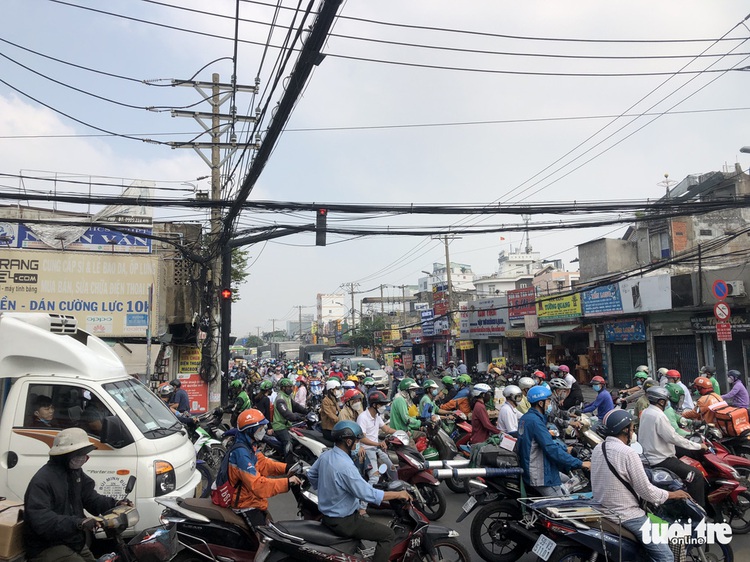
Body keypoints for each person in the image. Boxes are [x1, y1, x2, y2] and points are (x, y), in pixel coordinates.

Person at [592, 410, 690, 562]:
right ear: (625, 430)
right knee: (666, 557)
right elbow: (647, 492)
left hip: (601, 508)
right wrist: (672, 494)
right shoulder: (628, 453)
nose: (633, 432)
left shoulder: (599, 448)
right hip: (626, 514)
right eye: (632, 428)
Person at [307, 421, 412, 562]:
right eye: (357, 441)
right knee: (388, 535)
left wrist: (327, 489)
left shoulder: (326, 455)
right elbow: (368, 494)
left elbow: (312, 475)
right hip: (345, 521)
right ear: (348, 441)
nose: (358, 444)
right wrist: (398, 494)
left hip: (328, 516)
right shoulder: (345, 467)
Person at [24, 428, 129, 562]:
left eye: (84, 454)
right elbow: (42, 520)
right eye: (78, 454)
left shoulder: (75, 473)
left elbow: (90, 498)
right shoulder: (42, 481)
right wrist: (78, 523)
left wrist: (115, 504)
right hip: (47, 546)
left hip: (72, 540)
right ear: (64, 455)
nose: (83, 458)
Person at [226, 409, 302, 527]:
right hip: (244, 504)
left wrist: (287, 468)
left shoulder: (250, 446)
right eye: (260, 427)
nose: (264, 430)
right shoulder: (241, 454)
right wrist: (287, 482)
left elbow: (264, 464)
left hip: (253, 500)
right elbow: (257, 485)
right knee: (263, 537)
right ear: (250, 429)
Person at [638, 386, 705, 506]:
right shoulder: (659, 416)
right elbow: (673, 437)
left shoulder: (646, 412)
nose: (668, 403)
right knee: (696, 476)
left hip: (649, 456)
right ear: (661, 401)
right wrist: (698, 446)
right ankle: (699, 511)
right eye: (666, 400)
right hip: (661, 459)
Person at [517, 386, 589, 496]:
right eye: (548, 401)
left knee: (568, 481)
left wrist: (564, 448)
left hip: (539, 468)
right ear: (540, 403)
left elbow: (541, 442)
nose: (549, 404)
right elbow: (551, 449)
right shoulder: (535, 422)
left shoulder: (527, 418)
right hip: (540, 474)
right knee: (563, 503)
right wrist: (580, 463)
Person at [356, 391, 398, 513]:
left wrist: (400, 432)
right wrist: (378, 444)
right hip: (367, 449)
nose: (384, 407)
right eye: (382, 404)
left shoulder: (377, 417)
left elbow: (386, 429)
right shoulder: (363, 417)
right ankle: (362, 507)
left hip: (376, 448)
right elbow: (362, 438)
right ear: (374, 405)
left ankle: (394, 496)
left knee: (392, 469)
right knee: (374, 478)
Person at [271, 378, 308, 455]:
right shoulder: (280, 399)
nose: (291, 388)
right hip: (279, 426)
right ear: (283, 388)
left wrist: (306, 411)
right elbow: (287, 414)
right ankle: (287, 459)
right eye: (289, 387)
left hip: (287, 425)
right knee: (288, 442)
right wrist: (298, 417)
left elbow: (296, 406)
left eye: (291, 386)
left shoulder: (287, 397)